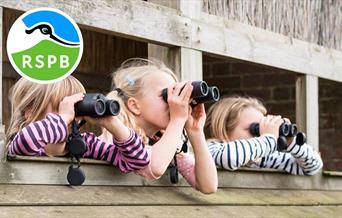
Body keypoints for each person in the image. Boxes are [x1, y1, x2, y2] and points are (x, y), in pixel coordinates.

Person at [101, 58, 217, 194]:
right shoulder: (116, 138)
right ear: (135, 105)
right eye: (166, 95)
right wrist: (178, 119)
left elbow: (208, 186)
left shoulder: (163, 143)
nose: (174, 102)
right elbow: (154, 167)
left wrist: (195, 131)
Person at [5, 76, 149, 173]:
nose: (71, 113)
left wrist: (111, 123)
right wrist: (64, 117)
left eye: (76, 106)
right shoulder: (20, 144)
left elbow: (139, 161)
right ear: (30, 112)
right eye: (62, 105)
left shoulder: (85, 145)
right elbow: (29, 139)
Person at [204, 96, 323, 175]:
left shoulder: (259, 159)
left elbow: (312, 167)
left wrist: (292, 143)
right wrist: (269, 138)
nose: (259, 136)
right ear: (223, 129)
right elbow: (229, 158)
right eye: (254, 129)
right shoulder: (209, 149)